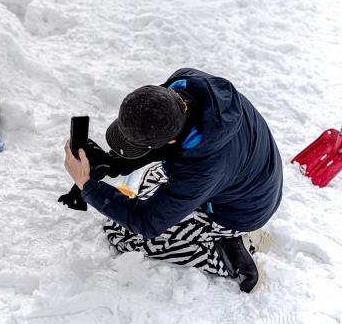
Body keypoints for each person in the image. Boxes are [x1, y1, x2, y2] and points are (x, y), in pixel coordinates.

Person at [63, 68, 283, 293]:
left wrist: (87, 186)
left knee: (120, 232)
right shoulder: (185, 84)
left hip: (243, 209)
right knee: (152, 181)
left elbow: (147, 222)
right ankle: (217, 228)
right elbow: (165, 136)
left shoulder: (201, 168)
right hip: (249, 176)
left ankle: (229, 248)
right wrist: (113, 163)